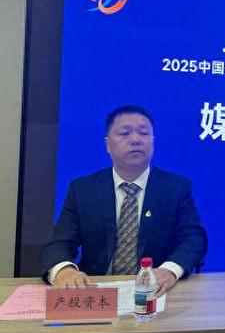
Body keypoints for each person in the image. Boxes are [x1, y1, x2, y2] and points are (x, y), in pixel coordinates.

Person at [40, 105, 208, 295]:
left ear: (153, 141)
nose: (135, 140)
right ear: (107, 144)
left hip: (157, 291)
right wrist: (64, 270)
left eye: (144, 133)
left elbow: (194, 239)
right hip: (96, 291)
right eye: (125, 133)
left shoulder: (176, 188)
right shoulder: (83, 190)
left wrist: (169, 270)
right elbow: (59, 243)